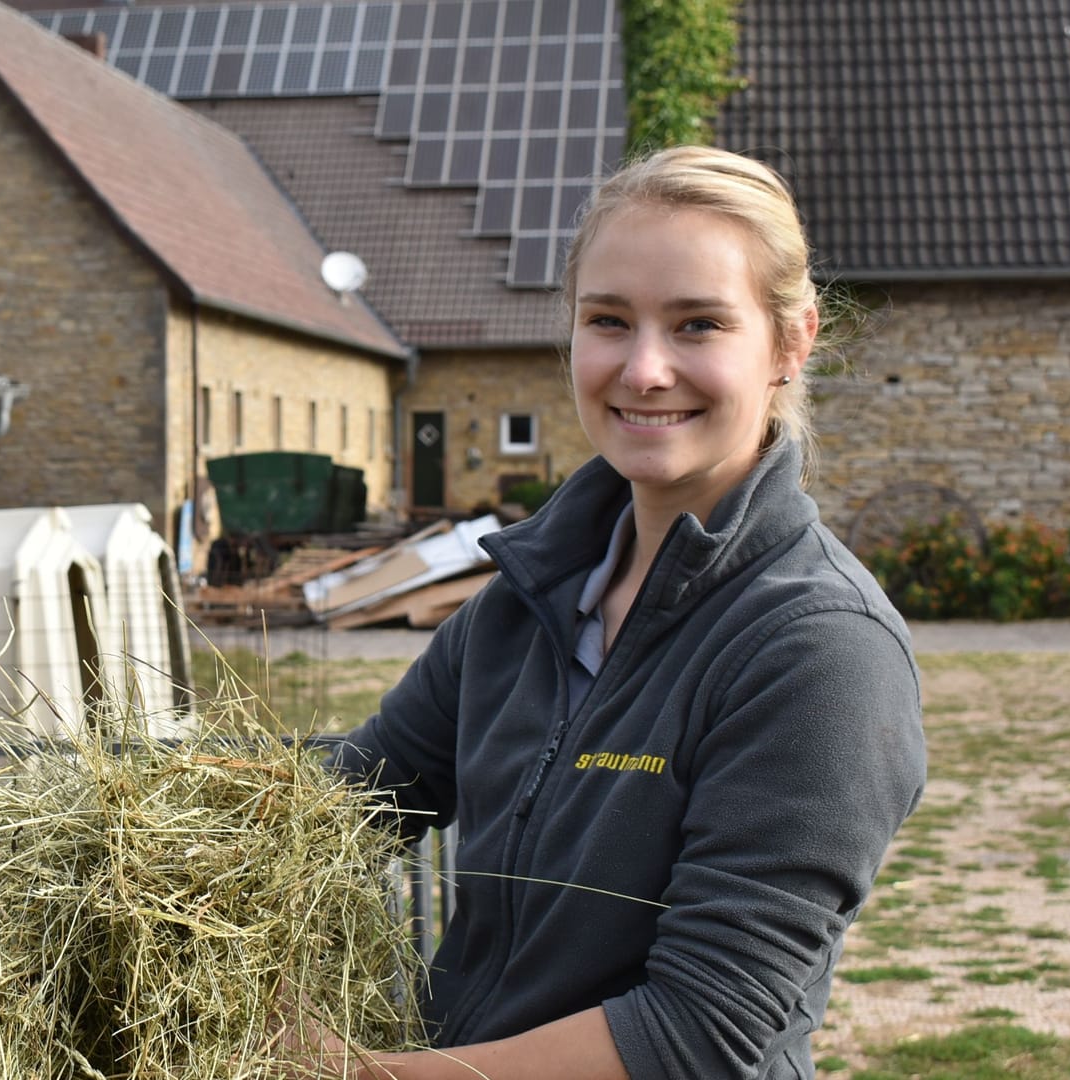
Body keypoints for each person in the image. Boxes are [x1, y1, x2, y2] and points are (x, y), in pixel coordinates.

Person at [312, 145, 929, 1079]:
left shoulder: (819, 652)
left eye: (698, 325)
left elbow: (696, 1033)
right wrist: (127, 811)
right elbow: (353, 794)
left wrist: (358, 1074)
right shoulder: (526, 602)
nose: (643, 369)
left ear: (792, 342)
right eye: (609, 320)